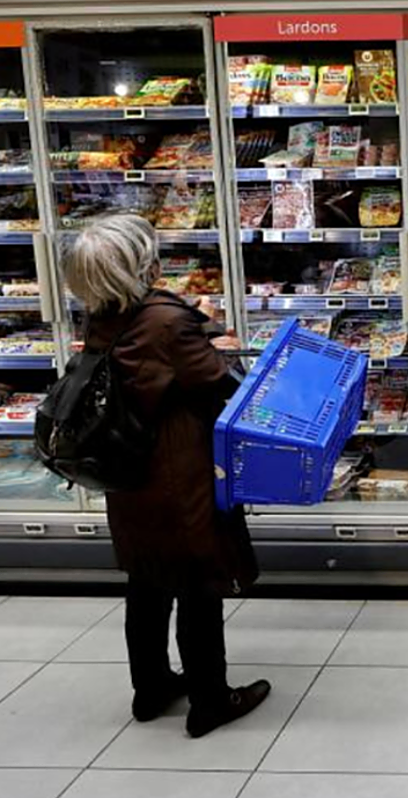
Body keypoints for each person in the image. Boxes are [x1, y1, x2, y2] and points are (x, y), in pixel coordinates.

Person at [63, 213, 270, 738]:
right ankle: (210, 700)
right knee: (200, 585)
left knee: (147, 584)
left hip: (127, 472)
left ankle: (151, 687)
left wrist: (193, 329)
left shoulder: (104, 313)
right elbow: (218, 387)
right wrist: (217, 347)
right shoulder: (165, 319)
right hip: (178, 474)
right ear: (141, 265)